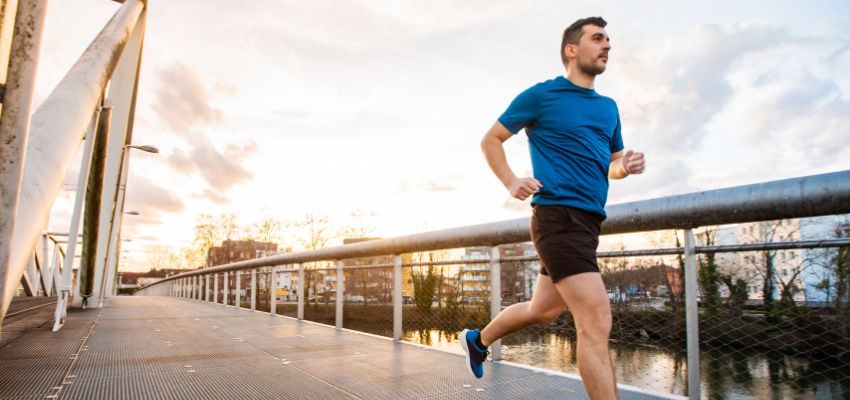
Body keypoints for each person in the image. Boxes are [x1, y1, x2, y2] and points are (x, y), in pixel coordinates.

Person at [459, 16, 645, 400]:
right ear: (571, 50)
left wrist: (623, 166)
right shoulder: (542, 96)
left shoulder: (608, 108)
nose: (607, 45)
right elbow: (491, 139)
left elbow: (610, 164)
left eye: (609, 40)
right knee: (595, 321)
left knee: (543, 310)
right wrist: (511, 181)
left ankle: (478, 340)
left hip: (589, 223)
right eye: (597, 39)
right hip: (558, 217)